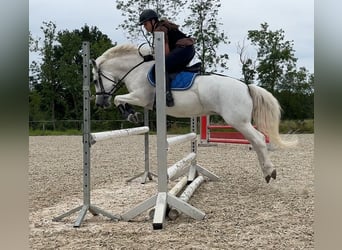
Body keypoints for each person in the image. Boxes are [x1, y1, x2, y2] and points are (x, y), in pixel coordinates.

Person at [139, 9, 196, 107]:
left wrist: (154, 58)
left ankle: (167, 95)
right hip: (188, 50)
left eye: (145, 24)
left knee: (159, 67)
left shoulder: (159, 30)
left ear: (153, 21)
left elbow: (165, 53)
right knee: (169, 67)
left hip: (183, 49)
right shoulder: (161, 26)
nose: (145, 27)